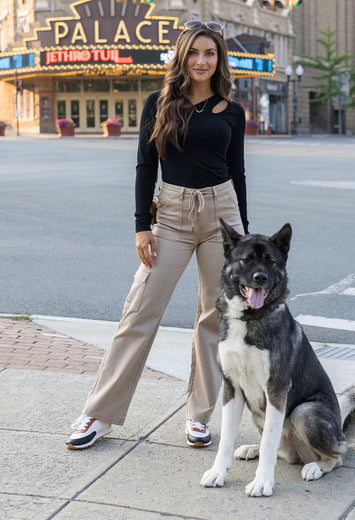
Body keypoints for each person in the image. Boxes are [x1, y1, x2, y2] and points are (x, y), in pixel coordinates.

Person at [66, 20, 249, 450]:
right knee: (141, 308)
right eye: (195, 53)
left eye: (210, 53)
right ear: (182, 56)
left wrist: (244, 238)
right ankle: (99, 412)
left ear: (219, 59)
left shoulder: (232, 111)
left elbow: (237, 174)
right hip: (171, 215)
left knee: (214, 316)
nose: (202, 61)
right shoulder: (159, 103)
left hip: (223, 213)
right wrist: (140, 225)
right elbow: (146, 166)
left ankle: (199, 415)